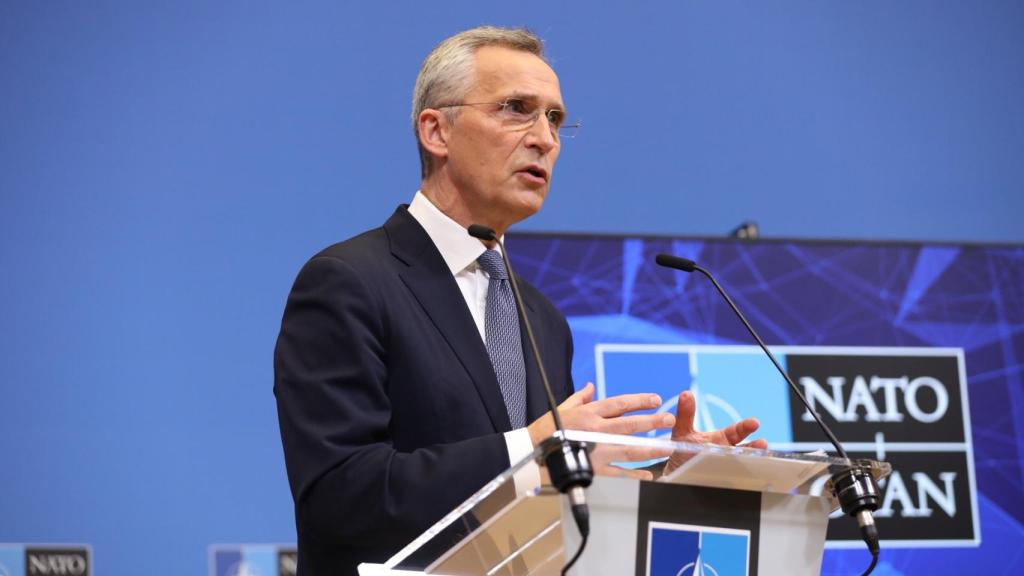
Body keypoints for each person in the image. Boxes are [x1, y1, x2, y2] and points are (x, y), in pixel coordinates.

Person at [273, 26, 765, 575]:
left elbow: (560, 508)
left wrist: (673, 483)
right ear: (436, 130)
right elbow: (340, 495)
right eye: (517, 109)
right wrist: (532, 449)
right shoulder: (349, 281)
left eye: (554, 119)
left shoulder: (542, 320)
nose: (545, 139)